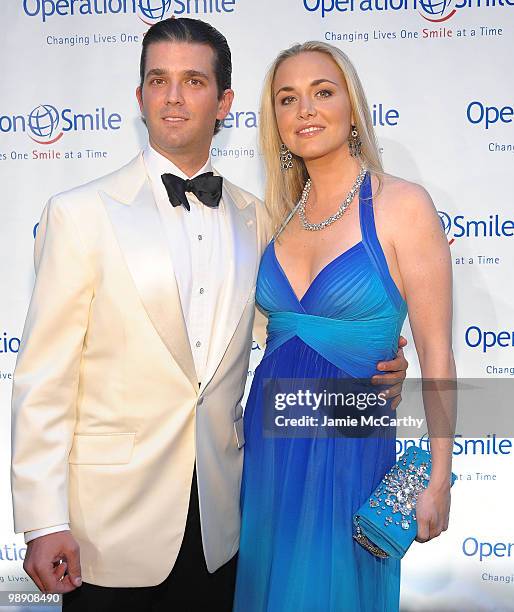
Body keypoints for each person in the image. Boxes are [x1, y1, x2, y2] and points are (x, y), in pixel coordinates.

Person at [10, 20, 408, 611]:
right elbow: (43, 379)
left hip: (231, 522)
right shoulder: (79, 213)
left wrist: (374, 363)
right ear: (138, 97)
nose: (173, 97)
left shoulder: (261, 218)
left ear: (224, 102)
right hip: (109, 529)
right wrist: (43, 520)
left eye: (193, 81)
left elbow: (296, 332)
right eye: (158, 80)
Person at [234, 42, 455, 612]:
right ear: (275, 121)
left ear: (352, 107)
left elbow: (437, 355)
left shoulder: (403, 205)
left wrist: (436, 478)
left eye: (322, 92)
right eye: (288, 99)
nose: (305, 109)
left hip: (349, 453)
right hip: (267, 448)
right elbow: (278, 338)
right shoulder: (274, 217)